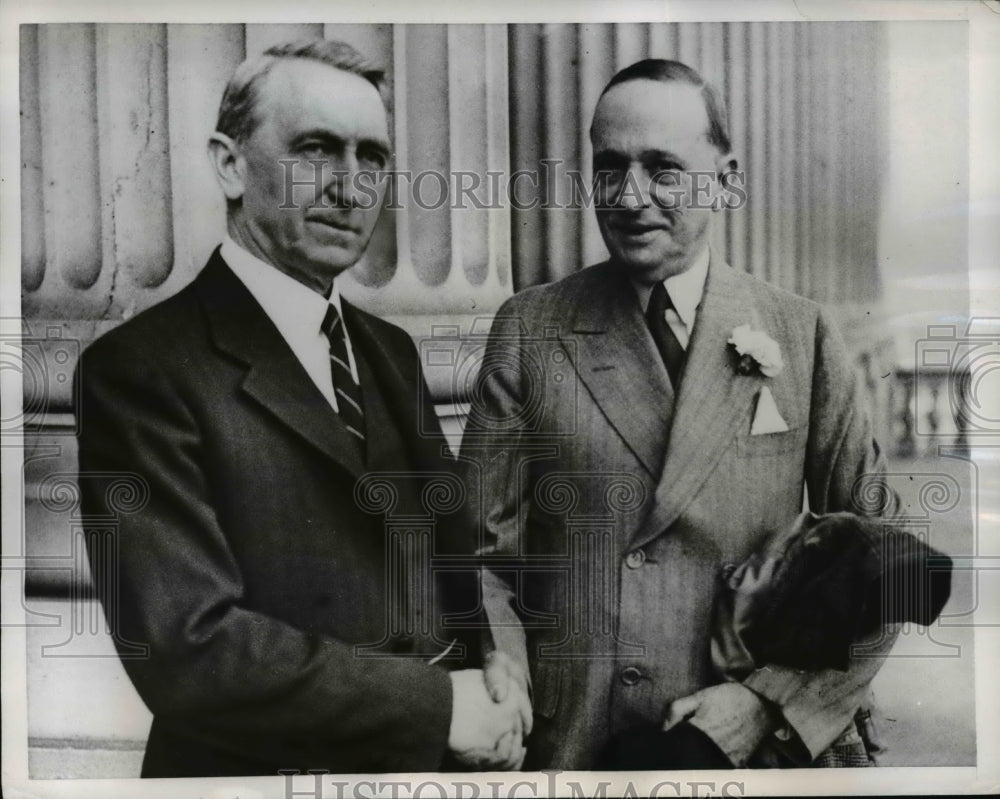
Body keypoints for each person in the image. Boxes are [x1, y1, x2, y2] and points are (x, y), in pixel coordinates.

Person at [75, 39, 528, 777]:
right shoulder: (140, 370)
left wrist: (495, 661)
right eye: (316, 150)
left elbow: (451, 555)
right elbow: (189, 649)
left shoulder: (388, 351)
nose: (350, 188)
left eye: (371, 158)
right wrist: (439, 708)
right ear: (230, 164)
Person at [462, 59, 899, 769]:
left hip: (746, 753)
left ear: (725, 180)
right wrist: (503, 670)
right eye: (609, 169)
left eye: (664, 169)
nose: (630, 197)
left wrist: (767, 702)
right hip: (574, 745)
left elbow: (885, 556)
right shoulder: (531, 329)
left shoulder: (800, 334)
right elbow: (482, 556)